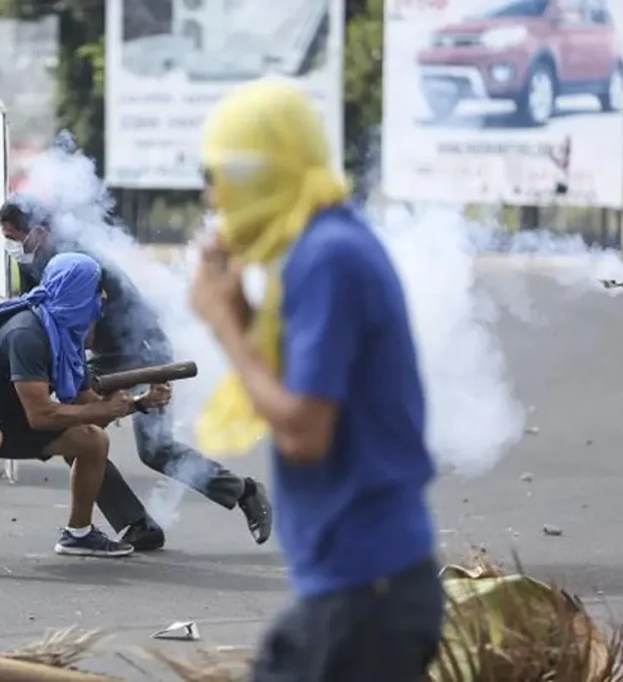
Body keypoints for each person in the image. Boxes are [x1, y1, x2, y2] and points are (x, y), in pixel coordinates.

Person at [188, 78, 443, 682]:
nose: (213, 194)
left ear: (259, 174)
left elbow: (304, 432)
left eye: (220, 175)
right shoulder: (323, 247)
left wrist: (224, 323)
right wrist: (244, 318)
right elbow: (297, 393)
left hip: (365, 594)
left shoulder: (327, 258)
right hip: (362, 586)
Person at [0, 196, 272, 552]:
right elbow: (34, 311)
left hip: (141, 350)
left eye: (14, 236)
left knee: (154, 449)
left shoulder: (79, 261)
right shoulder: (32, 259)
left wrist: (64, 377)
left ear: (37, 232)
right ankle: (136, 524)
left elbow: (86, 326)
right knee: (80, 437)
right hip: (101, 354)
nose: (11, 246)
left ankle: (244, 492)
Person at [0, 252, 168, 577]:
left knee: (92, 441)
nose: (101, 302)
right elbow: (42, 416)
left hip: (11, 423)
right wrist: (100, 407)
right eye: (95, 292)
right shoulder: (27, 335)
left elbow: (87, 407)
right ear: (76, 294)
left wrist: (139, 402)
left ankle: (78, 533)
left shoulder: (66, 336)